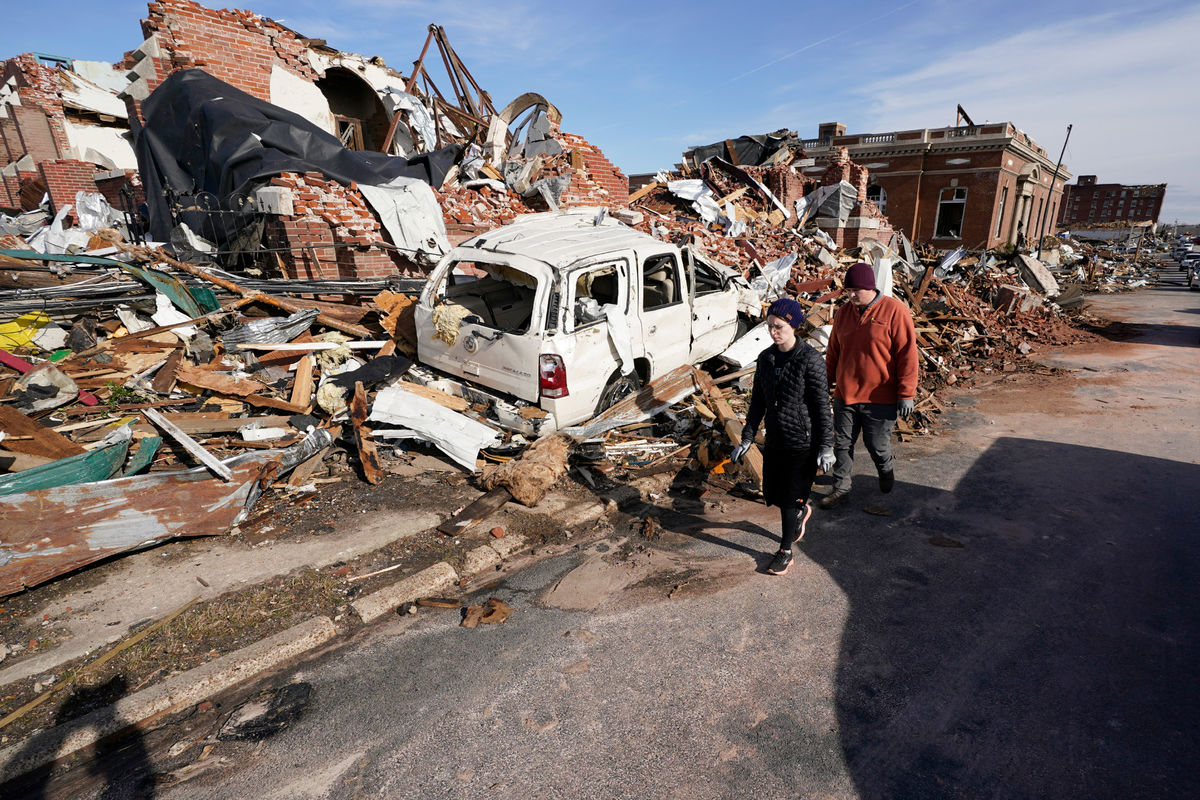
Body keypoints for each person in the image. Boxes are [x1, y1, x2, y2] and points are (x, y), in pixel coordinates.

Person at [731, 297, 834, 576]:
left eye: (778, 327)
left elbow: (821, 407)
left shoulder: (809, 360)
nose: (773, 332)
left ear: (794, 326)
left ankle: (785, 551)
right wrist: (748, 438)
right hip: (776, 437)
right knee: (773, 494)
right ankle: (800, 511)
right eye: (769, 327)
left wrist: (826, 446)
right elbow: (757, 403)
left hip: (802, 442)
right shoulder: (766, 358)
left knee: (788, 499)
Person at [821, 262, 918, 509]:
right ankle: (841, 489)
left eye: (857, 290)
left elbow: (907, 354)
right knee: (842, 444)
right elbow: (833, 352)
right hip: (846, 394)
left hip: (880, 397)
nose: (852, 295)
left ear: (870, 287)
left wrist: (906, 393)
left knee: (876, 445)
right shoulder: (843, 313)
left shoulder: (895, 311)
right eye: (848, 290)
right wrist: (825, 383)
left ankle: (885, 468)